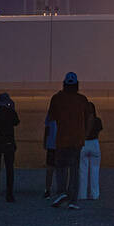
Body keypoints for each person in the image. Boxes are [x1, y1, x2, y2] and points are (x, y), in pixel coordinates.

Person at [46, 72, 88, 209]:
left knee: (61, 168)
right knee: (74, 170)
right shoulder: (82, 99)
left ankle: (61, 192)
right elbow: (88, 117)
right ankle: (73, 200)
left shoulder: (57, 98)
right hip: (77, 140)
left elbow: (51, 117)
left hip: (62, 139)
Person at [0, 92, 19, 203]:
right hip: (8, 143)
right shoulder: (11, 113)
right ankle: (9, 195)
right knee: (9, 169)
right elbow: (16, 122)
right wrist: (13, 108)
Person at [79, 101, 102, 200]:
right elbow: (98, 132)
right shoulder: (98, 120)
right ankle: (95, 194)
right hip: (94, 143)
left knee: (82, 171)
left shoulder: (81, 121)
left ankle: (82, 195)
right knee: (95, 171)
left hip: (84, 144)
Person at [43, 113, 57, 199]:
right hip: (59, 144)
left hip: (52, 144)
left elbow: (47, 128)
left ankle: (48, 190)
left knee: (50, 169)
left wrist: (45, 141)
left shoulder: (50, 114)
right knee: (61, 168)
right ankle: (62, 190)